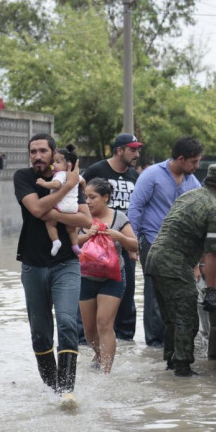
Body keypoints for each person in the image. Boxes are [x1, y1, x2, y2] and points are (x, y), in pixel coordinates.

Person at [128, 136, 216, 348]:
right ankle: (155, 345)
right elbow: (135, 208)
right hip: (153, 242)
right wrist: (132, 242)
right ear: (181, 159)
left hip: (182, 251)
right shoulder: (152, 175)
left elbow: (208, 216)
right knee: (155, 297)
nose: (197, 166)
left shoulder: (192, 182)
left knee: (181, 299)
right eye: (194, 162)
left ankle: (171, 346)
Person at [15, 133, 92, 402]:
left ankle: (66, 391)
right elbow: (36, 210)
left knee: (68, 322)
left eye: (42, 151)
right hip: (32, 264)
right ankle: (52, 389)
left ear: (53, 153)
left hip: (66, 264)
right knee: (39, 332)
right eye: (33, 151)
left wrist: (55, 212)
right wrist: (65, 187)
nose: (37, 156)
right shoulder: (24, 178)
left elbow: (86, 219)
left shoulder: (70, 175)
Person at [146, 163, 216, 376]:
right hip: (174, 264)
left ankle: (170, 362)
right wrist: (211, 291)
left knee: (171, 319)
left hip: (153, 260)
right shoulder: (215, 209)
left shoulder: (188, 196)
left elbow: (185, 233)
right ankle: (182, 368)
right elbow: (213, 252)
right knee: (187, 318)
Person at [83, 133, 143, 340]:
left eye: (137, 150)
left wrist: (132, 244)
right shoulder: (97, 170)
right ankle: (87, 343)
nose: (136, 154)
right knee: (88, 293)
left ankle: (125, 340)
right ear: (120, 150)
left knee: (127, 294)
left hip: (122, 241)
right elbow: (78, 195)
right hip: (93, 244)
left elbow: (139, 210)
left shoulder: (135, 176)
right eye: (132, 149)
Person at [78, 178, 138, 373]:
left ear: (106, 197)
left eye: (92, 197)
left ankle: (106, 372)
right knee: (89, 330)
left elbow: (135, 245)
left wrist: (118, 236)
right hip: (85, 278)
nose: (88, 201)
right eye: (85, 197)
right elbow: (70, 242)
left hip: (113, 278)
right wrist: (87, 235)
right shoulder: (79, 216)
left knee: (104, 322)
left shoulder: (119, 218)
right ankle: (98, 354)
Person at [36, 144, 83, 257]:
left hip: (61, 206)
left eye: (57, 162)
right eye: (54, 162)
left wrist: (44, 183)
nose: (53, 165)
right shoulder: (75, 176)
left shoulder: (60, 174)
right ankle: (75, 246)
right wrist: (84, 191)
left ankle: (56, 241)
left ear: (68, 165)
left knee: (50, 224)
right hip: (73, 208)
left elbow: (56, 184)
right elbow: (83, 181)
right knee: (71, 229)